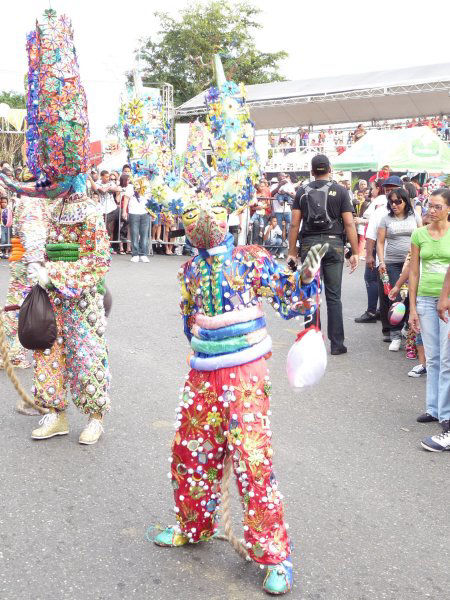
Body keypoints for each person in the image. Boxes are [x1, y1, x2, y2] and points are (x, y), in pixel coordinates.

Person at [288, 154, 359, 355]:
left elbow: (294, 224)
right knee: (334, 296)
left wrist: (292, 252)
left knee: (310, 294)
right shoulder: (341, 191)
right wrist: (355, 251)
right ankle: (337, 344)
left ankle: (311, 342)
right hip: (334, 244)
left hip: (310, 245)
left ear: (312, 171)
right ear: (330, 168)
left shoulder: (302, 191)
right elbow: (349, 223)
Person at [408, 188, 450, 451]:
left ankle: (445, 415)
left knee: (446, 360)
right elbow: (413, 272)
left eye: (437, 207)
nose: (431, 211)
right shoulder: (419, 234)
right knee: (433, 358)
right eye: (429, 206)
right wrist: (412, 307)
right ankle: (434, 408)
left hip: (446, 302)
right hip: (425, 299)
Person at [376, 188, 420, 351]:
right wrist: (381, 261)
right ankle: (395, 334)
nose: (394, 205)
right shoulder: (385, 219)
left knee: (411, 296)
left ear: (405, 201)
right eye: (391, 202)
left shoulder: (414, 216)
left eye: (398, 201)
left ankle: (405, 327)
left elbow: (422, 234)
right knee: (394, 297)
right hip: (393, 262)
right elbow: (380, 242)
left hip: (412, 262)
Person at [90, 170, 121, 253]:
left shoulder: (111, 183)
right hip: (102, 208)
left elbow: (117, 188)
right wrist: (107, 188)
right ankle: (103, 246)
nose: (108, 178)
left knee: (110, 228)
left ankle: (109, 246)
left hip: (111, 208)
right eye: (106, 177)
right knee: (103, 228)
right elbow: (98, 189)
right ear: (102, 176)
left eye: (108, 177)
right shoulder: (98, 183)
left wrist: (110, 188)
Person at [122, 174, 151, 263]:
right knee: (134, 233)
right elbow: (126, 198)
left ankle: (143, 254)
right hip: (133, 212)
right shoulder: (131, 186)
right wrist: (124, 211)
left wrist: (152, 212)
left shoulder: (148, 186)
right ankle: (135, 254)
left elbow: (151, 200)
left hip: (145, 212)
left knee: (144, 234)